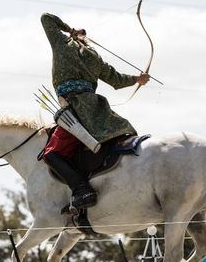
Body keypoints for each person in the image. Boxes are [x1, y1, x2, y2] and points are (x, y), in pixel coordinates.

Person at [40, 12, 150, 210]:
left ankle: (82, 189)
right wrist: (137, 79)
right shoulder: (95, 58)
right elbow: (116, 79)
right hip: (98, 110)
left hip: (75, 111)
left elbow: (46, 18)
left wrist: (68, 29)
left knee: (51, 154)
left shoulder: (61, 43)